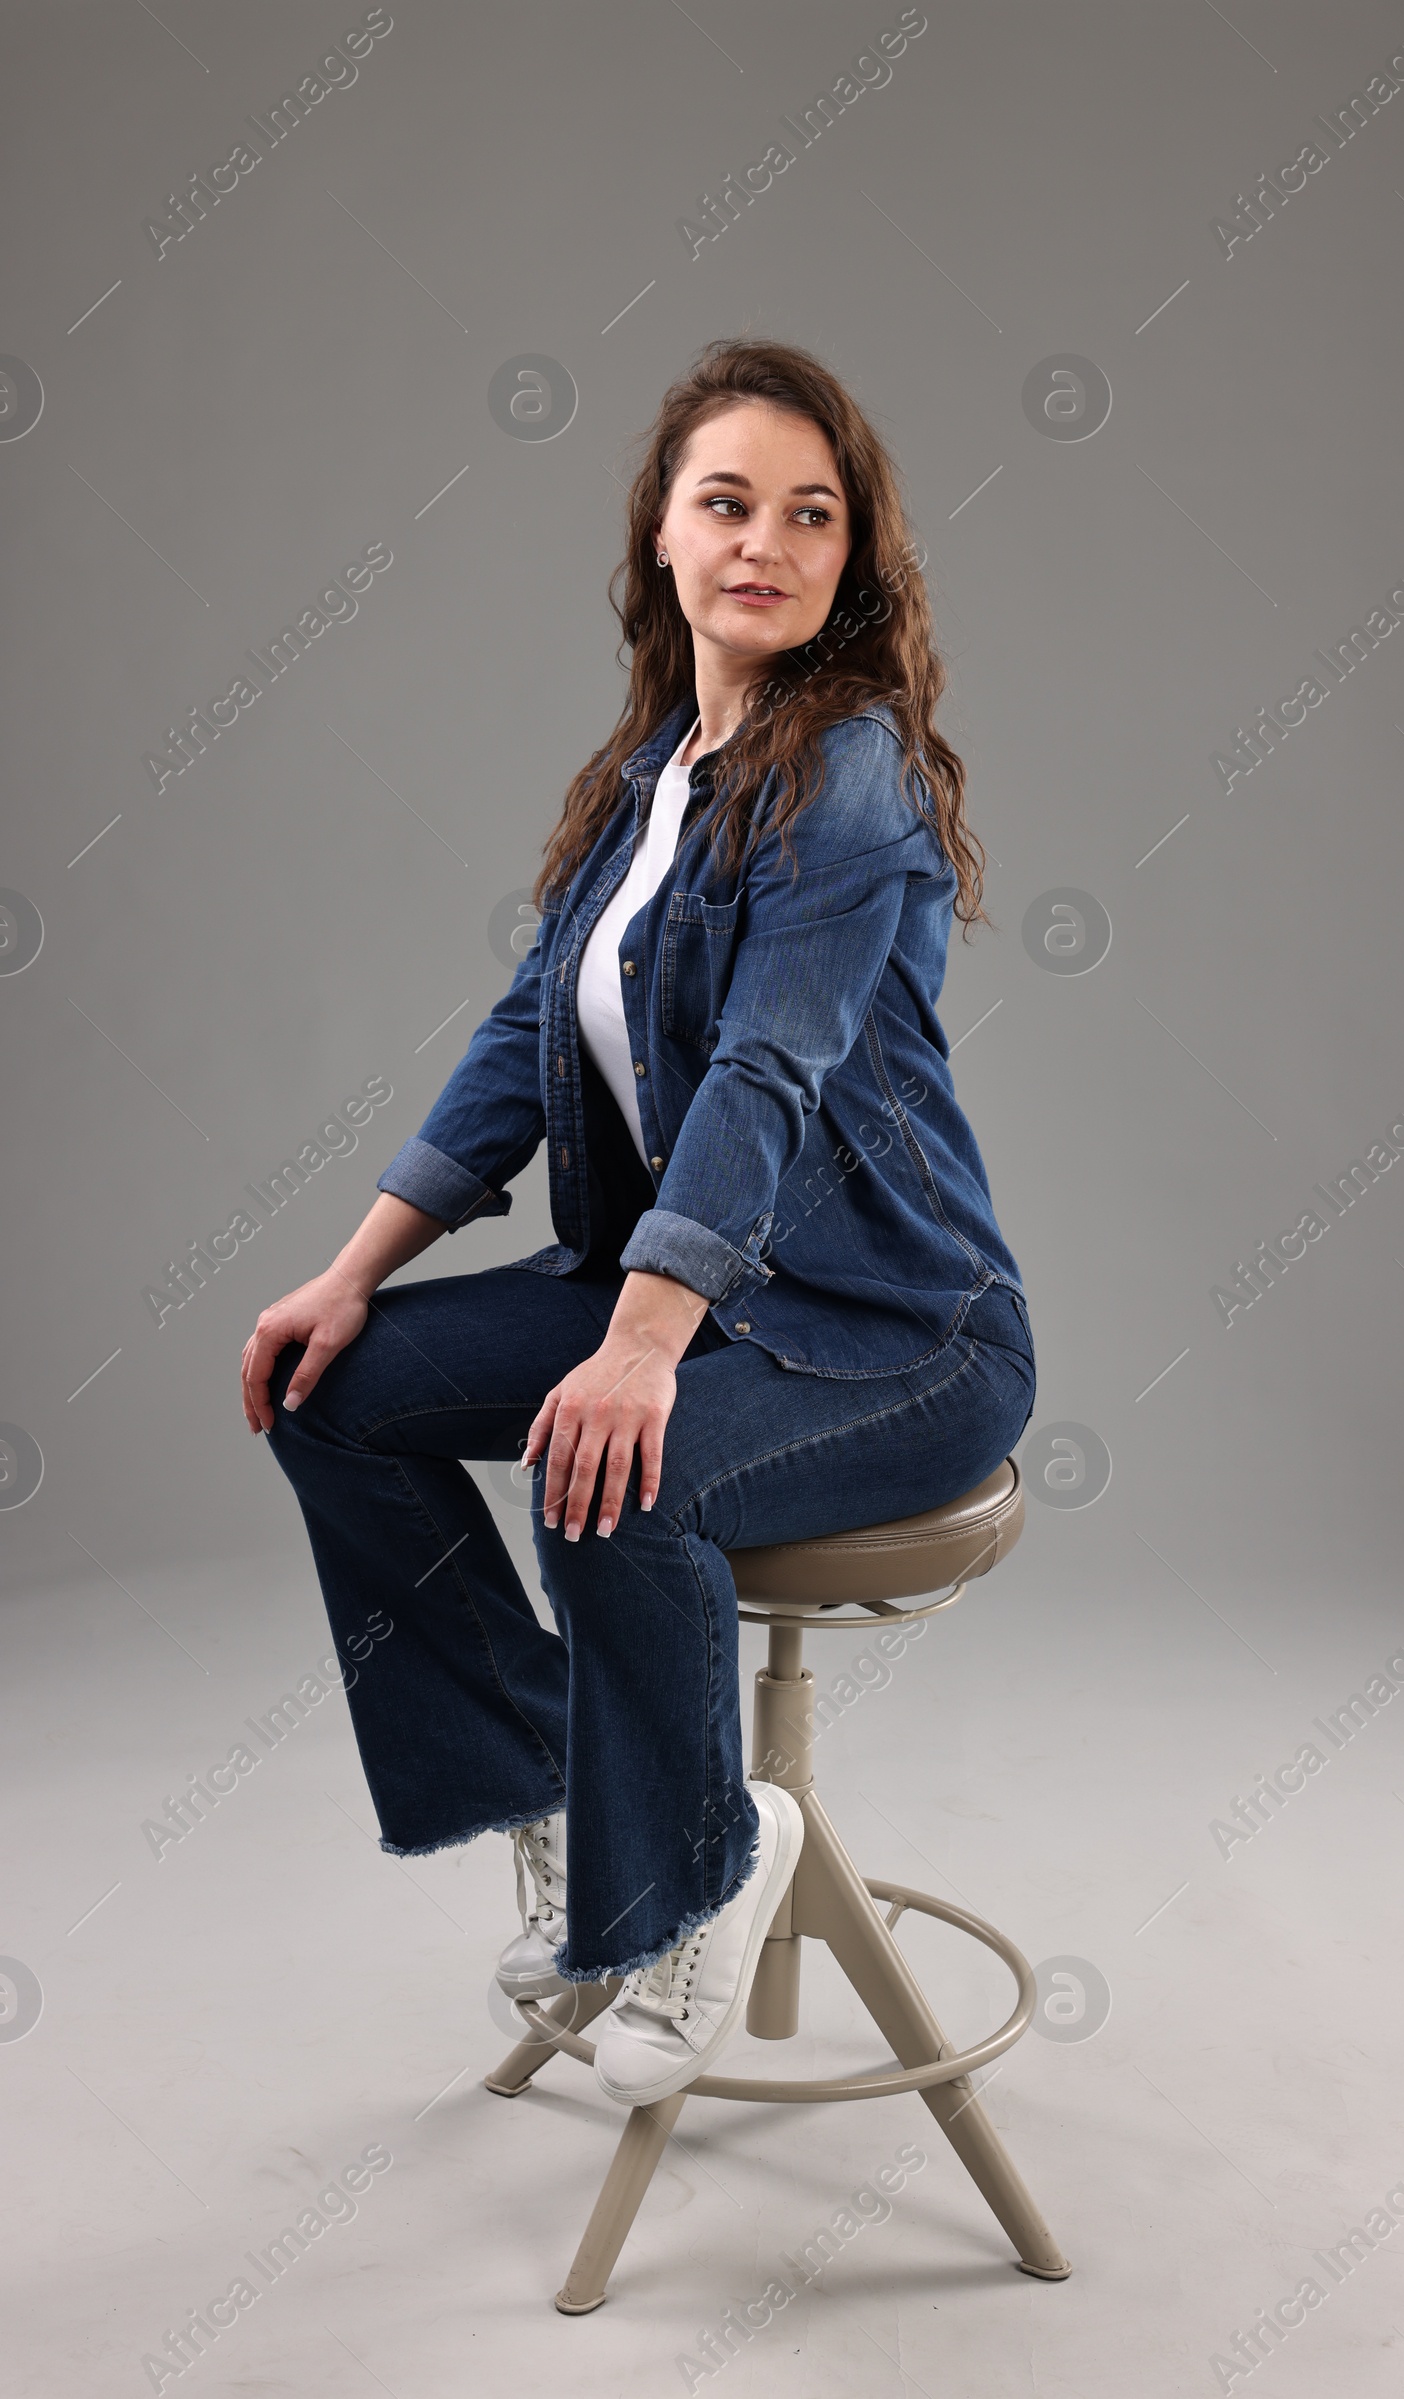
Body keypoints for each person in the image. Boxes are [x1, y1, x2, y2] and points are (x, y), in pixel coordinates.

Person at [241, 336, 1037, 2110]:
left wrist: (639, 1346)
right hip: (689, 1292)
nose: (767, 539)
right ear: (662, 539)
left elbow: (766, 1072)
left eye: (811, 514)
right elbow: (521, 1048)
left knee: (622, 1470)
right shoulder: (641, 788)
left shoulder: (852, 777)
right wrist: (351, 1274)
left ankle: (680, 1883)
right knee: (330, 1398)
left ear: (851, 561)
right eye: (727, 501)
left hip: (895, 1333)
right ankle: (607, 1795)